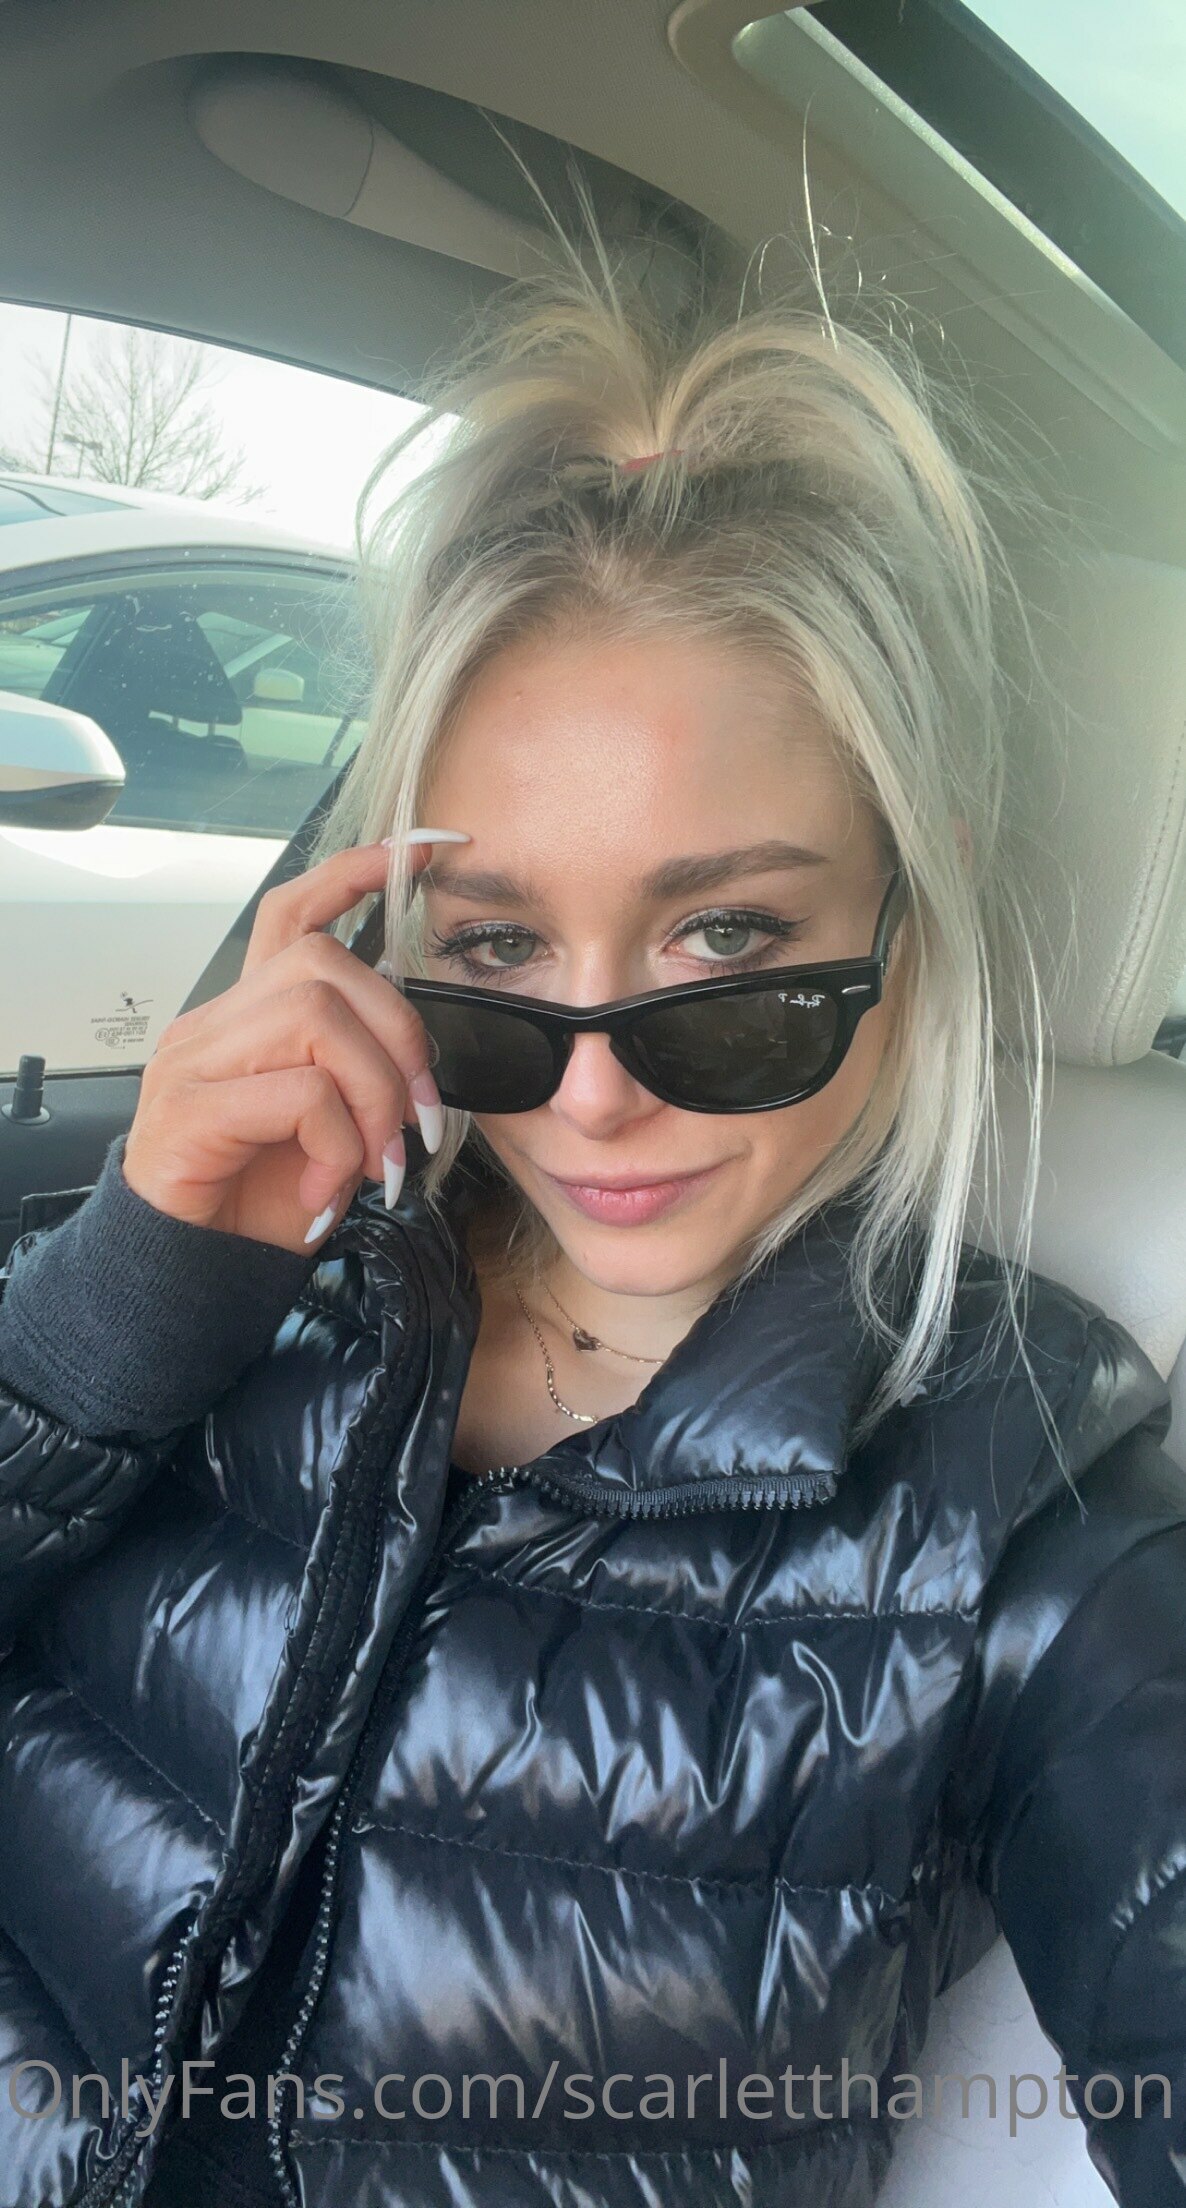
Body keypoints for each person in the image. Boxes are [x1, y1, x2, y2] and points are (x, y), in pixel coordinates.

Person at [0, 206, 1184, 2208]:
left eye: (728, 943)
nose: (592, 1088)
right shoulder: (250, 1272)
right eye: (493, 951)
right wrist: (128, 1286)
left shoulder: (1023, 1512)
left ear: (906, 904)